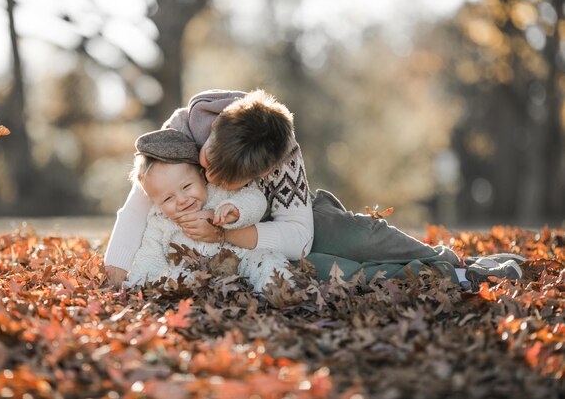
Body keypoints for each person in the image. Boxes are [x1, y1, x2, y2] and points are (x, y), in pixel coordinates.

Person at [105, 89, 519, 289]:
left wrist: (225, 231)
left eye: (224, 180)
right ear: (211, 135)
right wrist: (117, 265)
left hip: (289, 223)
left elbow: (299, 235)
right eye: (207, 166)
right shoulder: (181, 131)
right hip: (247, 249)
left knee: (360, 236)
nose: (209, 180)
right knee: (334, 272)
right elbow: (141, 197)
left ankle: (446, 260)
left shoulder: (282, 156)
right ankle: (457, 274)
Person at [123, 128, 293, 293]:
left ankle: (277, 289)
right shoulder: (159, 221)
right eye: (168, 198)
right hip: (193, 274)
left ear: (201, 175)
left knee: (265, 259)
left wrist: (236, 209)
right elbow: (149, 258)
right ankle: (195, 303)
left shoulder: (220, 192)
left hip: (240, 262)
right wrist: (136, 285)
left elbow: (256, 198)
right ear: (156, 203)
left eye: (187, 186)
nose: (181, 200)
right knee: (176, 276)